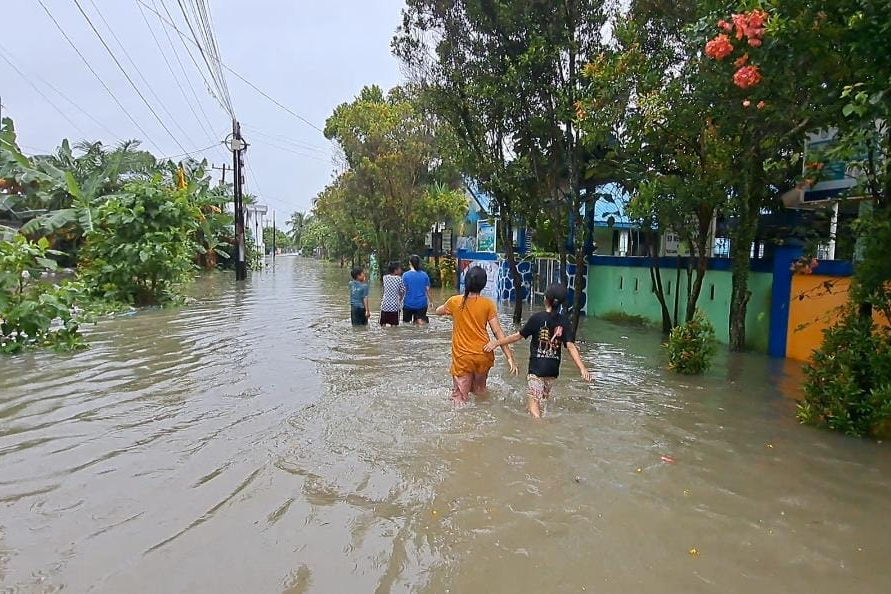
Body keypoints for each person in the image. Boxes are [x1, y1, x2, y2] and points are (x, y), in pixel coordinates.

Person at [484, 283, 591, 418]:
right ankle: (542, 421)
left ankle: (539, 428)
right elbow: (570, 346)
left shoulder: (537, 318)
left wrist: (497, 342)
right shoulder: (564, 322)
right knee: (542, 400)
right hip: (552, 372)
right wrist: (582, 368)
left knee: (533, 402)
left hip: (537, 370)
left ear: (545, 299)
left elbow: (518, 336)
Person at [435, 266, 518, 404]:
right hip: (483, 355)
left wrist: (444, 309)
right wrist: (509, 357)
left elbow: (439, 311)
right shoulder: (488, 304)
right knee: (480, 392)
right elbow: (498, 332)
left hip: (463, 358)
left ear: (466, 281)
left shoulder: (455, 301)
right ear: (484, 284)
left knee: (460, 398)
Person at [402, 254, 432, 325]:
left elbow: (403, 290)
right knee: (419, 325)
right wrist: (431, 302)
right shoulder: (424, 275)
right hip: (421, 304)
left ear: (410, 262)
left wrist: (399, 301)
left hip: (408, 304)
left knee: (406, 325)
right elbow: (427, 290)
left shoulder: (405, 275)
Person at [380, 261, 405, 327]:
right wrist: (400, 299)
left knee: (383, 325)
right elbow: (403, 291)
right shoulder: (399, 279)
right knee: (394, 326)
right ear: (395, 270)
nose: (401, 270)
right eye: (399, 268)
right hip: (394, 306)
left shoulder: (384, 277)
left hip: (384, 305)